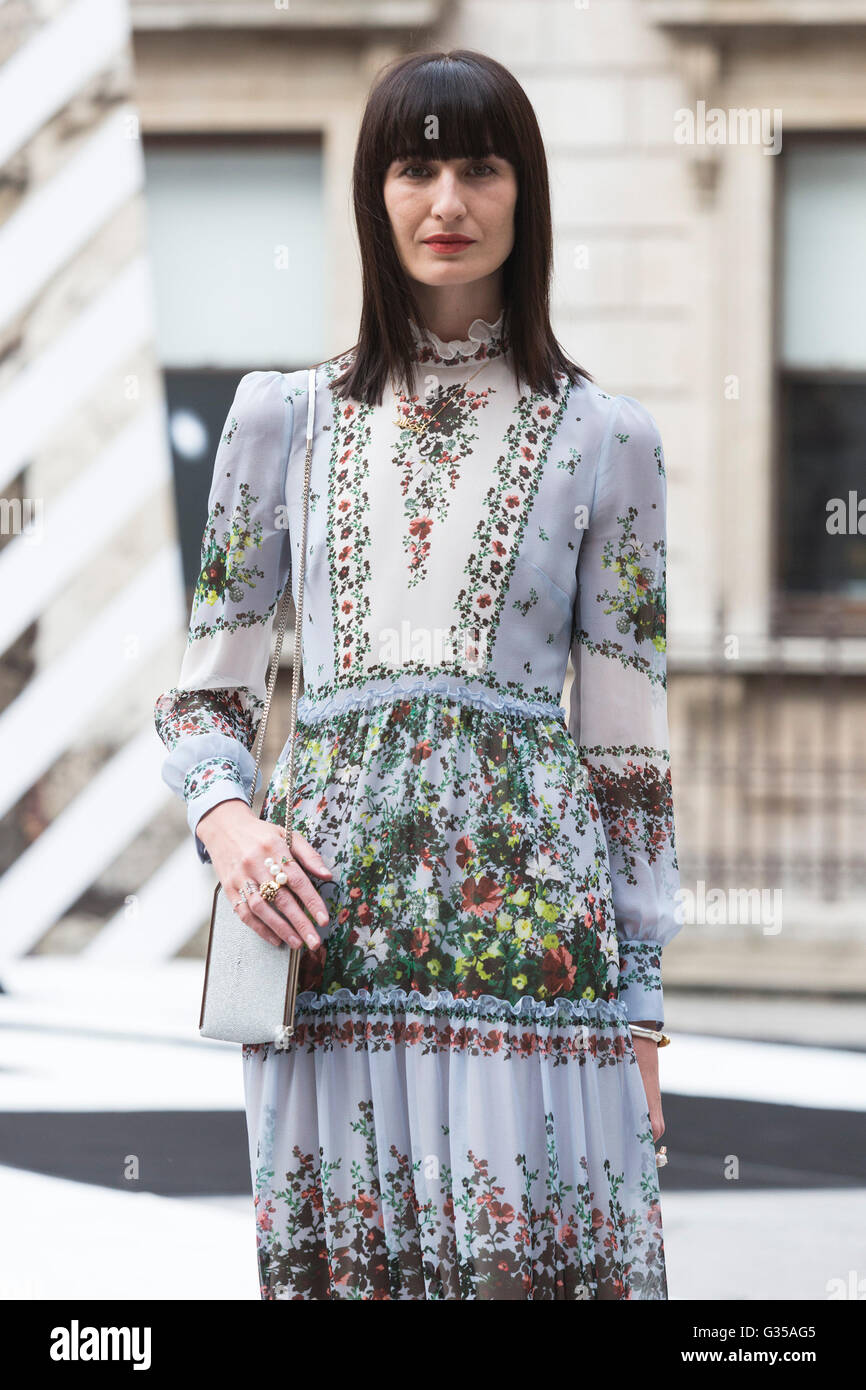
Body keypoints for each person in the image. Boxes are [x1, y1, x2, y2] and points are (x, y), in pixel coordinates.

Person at [154, 47, 682, 1300]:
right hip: (324, 946)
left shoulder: (611, 439)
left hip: (536, 959)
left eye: (478, 166)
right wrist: (229, 829)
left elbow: (627, 750)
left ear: (523, 192)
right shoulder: (278, 418)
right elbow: (203, 695)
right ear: (373, 193)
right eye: (415, 166)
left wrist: (644, 1007)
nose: (446, 201)